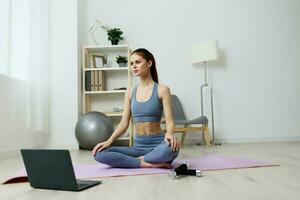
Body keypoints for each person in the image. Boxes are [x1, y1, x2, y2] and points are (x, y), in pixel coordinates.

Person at [93, 48, 180, 168]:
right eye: (132, 63)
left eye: (138, 62)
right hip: (137, 147)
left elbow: (170, 121)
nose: (134, 66)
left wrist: (169, 134)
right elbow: (124, 123)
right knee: (99, 153)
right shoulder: (129, 92)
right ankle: (148, 164)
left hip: (158, 145)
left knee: (171, 148)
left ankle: (136, 161)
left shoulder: (162, 89)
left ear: (149, 63)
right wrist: (109, 141)